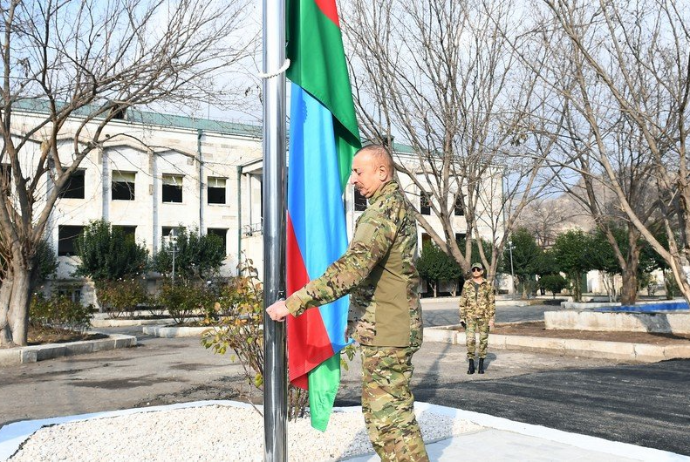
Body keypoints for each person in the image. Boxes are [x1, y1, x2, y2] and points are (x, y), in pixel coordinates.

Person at [266, 144, 429, 462]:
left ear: (382, 172)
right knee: (392, 423)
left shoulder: (382, 212)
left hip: (388, 331)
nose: (353, 179)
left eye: (359, 171)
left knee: (391, 427)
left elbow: (353, 269)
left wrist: (295, 302)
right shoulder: (394, 205)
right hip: (390, 328)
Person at [458, 262, 495, 374]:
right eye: (473, 270)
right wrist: (462, 317)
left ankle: (481, 364)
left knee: (483, 340)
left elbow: (491, 302)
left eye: (478, 269)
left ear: (482, 271)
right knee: (470, 340)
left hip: (484, 316)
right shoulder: (467, 284)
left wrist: (491, 319)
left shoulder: (487, 284)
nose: (475, 272)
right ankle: (471, 364)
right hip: (470, 316)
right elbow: (462, 301)